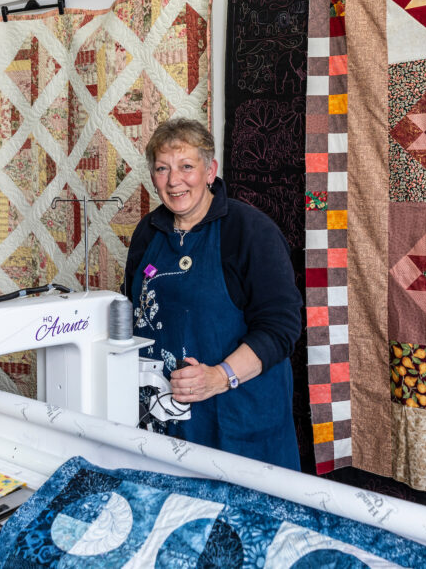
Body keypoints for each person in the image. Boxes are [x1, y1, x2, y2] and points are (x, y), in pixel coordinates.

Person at [123, 118, 301, 470]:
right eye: (162, 169)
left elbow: (281, 329)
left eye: (186, 166)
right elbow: (134, 309)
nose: (174, 181)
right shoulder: (148, 231)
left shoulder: (250, 231)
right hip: (163, 419)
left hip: (237, 421)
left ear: (210, 170)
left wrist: (220, 376)